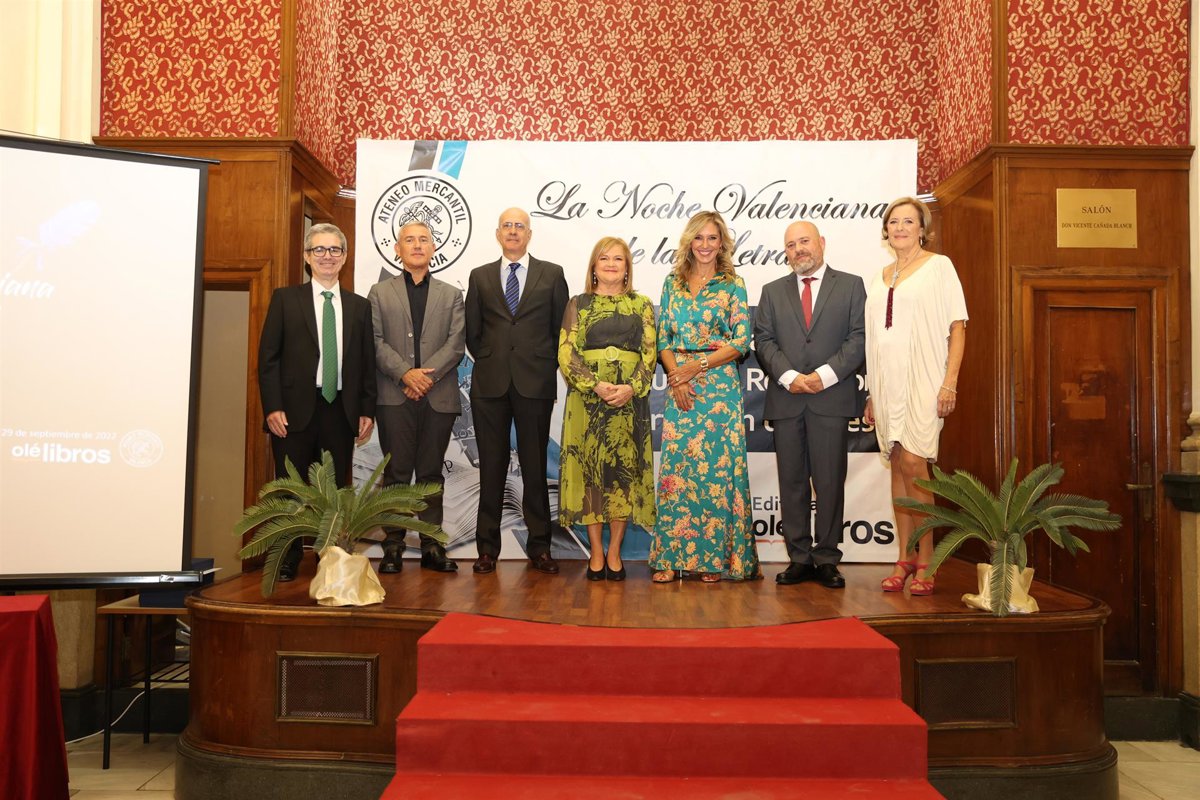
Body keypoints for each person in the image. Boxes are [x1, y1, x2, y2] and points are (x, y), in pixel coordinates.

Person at [258, 223, 377, 581]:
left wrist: (366, 410)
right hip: (292, 411)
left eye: (334, 250)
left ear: (344, 257)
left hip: (340, 409)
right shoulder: (285, 299)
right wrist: (272, 407)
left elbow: (366, 362)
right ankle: (288, 556)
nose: (327, 256)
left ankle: (333, 558)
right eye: (319, 250)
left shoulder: (359, 306)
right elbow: (268, 359)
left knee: (336, 491)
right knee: (291, 488)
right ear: (307, 257)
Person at [754, 221, 866, 590]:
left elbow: (859, 337)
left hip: (831, 398)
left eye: (804, 241)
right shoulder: (772, 291)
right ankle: (799, 558)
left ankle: (827, 558)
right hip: (788, 398)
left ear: (821, 242)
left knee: (830, 482)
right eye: (791, 245)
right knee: (792, 483)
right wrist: (789, 376)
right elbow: (764, 340)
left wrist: (824, 375)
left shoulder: (851, 285)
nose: (798, 249)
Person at [864, 196, 967, 596]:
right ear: (885, 230)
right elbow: (876, 339)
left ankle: (928, 558)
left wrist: (949, 381)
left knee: (914, 461)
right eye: (894, 222)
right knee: (896, 464)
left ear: (922, 228)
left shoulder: (939, 267)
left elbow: (958, 327)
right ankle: (903, 557)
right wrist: (872, 393)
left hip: (924, 378)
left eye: (909, 221)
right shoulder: (879, 276)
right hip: (886, 383)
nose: (900, 228)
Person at [649, 211, 759, 583]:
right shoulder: (672, 282)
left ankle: (713, 561)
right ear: (689, 242)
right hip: (681, 385)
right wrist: (677, 378)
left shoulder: (733, 284)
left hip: (718, 388)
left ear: (722, 243)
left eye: (713, 238)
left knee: (717, 472)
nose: (706, 245)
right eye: (699, 238)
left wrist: (696, 366)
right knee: (677, 472)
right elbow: (663, 338)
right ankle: (670, 559)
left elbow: (740, 341)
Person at [464, 208, 569, 575]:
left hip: (534, 383)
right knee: (491, 468)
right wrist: (496, 360)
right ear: (498, 233)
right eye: (507, 226)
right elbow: (473, 334)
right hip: (490, 385)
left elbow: (560, 332)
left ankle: (540, 547)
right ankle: (487, 550)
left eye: (519, 226)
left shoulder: (551, 274)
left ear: (529, 234)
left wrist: (538, 365)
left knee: (535, 467)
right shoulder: (479, 276)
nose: (513, 231)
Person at [557, 237, 657, 582]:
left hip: (629, 402)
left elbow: (650, 355)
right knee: (591, 477)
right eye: (604, 258)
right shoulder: (578, 303)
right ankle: (596, 552)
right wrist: (595, 385)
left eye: (618, 259)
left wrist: (630, 388)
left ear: (627, 267)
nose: (611, 264)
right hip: (587, 402)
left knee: (622, 478)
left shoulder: (642, 304)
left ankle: (615, 551)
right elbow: (566, 352)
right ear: (594, 267)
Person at [368, 221, 465, 574]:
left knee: (430, 474)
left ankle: (432, 546)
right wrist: (405, 374)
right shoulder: (379, 292)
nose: (417, 245)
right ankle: (392, 546)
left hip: (438, 396)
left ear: (433, 248)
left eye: (424, 239)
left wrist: (425, 378)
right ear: (398, 249)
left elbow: (456, 344)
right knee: (396, 473)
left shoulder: (451, 294)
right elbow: (375, 340)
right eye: (409, 240)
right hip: (394, 395)